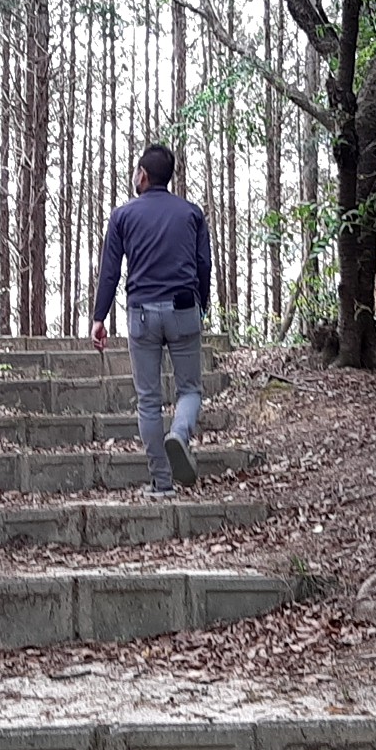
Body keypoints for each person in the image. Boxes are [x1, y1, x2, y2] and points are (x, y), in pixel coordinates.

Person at [91, 143, 212, 500]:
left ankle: (162, 484)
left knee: (148, 401)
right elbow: (203, 265)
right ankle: (180, 433)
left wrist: (100, 318)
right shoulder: (191, 213)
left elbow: (110, 271)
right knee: (189, 389)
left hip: (141, 312)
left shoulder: (123, 216)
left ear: (142, 174)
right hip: (183, 308)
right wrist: (200, 306)